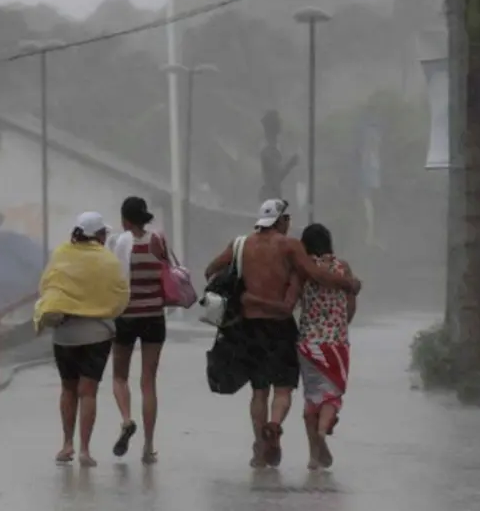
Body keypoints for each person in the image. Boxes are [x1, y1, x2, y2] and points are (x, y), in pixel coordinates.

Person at [204, 199, 360, 469]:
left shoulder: (240, 244)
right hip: (280, 326)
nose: (289, 225)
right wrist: (348, 283)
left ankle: (259, 448)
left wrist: (240, 291)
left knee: (259, 391)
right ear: (281, 221)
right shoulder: (289, 246)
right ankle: (274, 425)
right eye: (287, 219)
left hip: (249, 326)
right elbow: (315, 273)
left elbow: (210, 271)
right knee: (283, 389)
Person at [248, 224, 358, 470]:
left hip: (308, 343)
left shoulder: (301, 271)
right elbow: (351, 305)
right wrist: (340, 324)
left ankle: (313, 457)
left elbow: (290, 303)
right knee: (331, 394)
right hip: (336, 343)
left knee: (312, 398)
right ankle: (321, 433)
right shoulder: (343, 268)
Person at [34, 212, 130, 468]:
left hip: (65, 335)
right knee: (88, 392)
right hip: (97, 335)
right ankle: (85, 450)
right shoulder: (108, 261)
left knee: (68, 388)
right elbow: (121, 295)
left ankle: (67, 445)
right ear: (98, 235)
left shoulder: (61, 255)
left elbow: (45, 287)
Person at [109, 196, 168, 465]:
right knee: (149, 382)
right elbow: (166, 271)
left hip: (125, 317)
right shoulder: (158, 240)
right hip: (154, 315)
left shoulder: (120, 244)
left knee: (120, 376)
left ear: (125, 220)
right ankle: (149, 446)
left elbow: (112, 279)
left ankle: (126, 419)